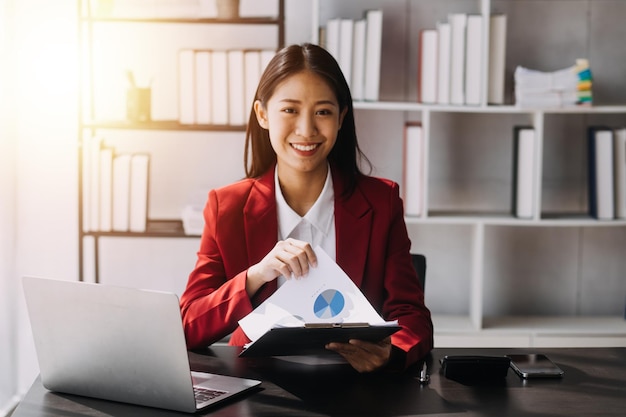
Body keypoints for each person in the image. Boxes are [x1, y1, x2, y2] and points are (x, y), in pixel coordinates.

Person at [180, 43, 433, 373]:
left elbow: (412, 316)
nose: (306, 130)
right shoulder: (226, 207)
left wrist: (392, 355)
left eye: (323, 112)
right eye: (290, 110)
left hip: (353, 388)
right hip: (258, 389)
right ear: (262, 114)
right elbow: (188, 324)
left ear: (341, 117)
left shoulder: (381, 202)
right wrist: (255, 276)